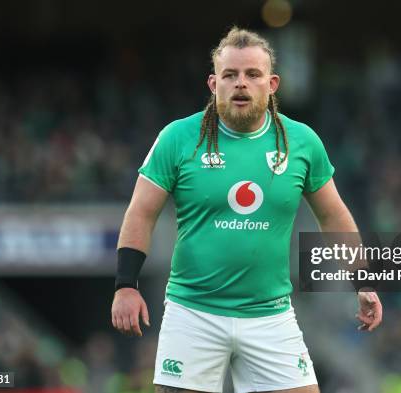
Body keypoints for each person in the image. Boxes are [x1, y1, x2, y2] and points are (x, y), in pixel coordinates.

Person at [111, 26, 383, 393]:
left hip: (270, 315)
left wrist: (363, 281)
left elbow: (333, 216)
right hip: (194, 313)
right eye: (230, 75)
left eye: (252, 74)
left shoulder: (301, 141)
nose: (241, 83)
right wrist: (126, 284)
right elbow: (141, 212)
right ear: (213, 83)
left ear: (272, 84)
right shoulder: (177, 137)